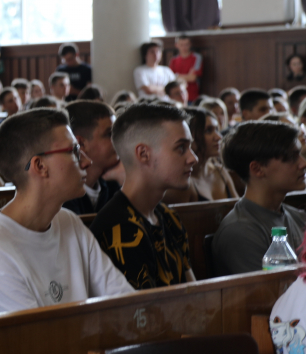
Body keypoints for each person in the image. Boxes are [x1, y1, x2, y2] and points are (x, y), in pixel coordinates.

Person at [0, 109, 134, 314]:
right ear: (40, 166)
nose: (86, 161)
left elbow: (123, 299)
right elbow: (40, 340)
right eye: (74, 152)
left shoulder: (69, 222)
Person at [88, 102, 197, 289]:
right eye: (181, 148)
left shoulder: (168, 217)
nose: (193, 158)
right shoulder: (118, 229)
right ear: (143, 153)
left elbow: (194, 291)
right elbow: (143, 313)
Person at [212, 121, 306, 276]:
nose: (303, 163)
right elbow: (272, 296)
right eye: (291, 157)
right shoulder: (240, 231)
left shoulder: (298, 216)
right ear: (257, 169)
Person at [163, 107, 239, 204]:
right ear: (188, 135)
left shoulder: (220, 171)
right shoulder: (182, 183)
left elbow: (239, 209)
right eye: (208, 131)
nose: (218, 137)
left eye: (216, 129)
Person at [62, 100, 123, 215]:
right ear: (81, 144)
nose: (118, 140)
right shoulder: (65, 194)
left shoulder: (112, 184)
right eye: (109, 134)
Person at [168, 35, 203, 102]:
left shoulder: (196, 57)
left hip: (192, 96)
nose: (184, 47)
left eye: (186, 44)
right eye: (181, 45)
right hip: (177, 97)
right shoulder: (173, 60)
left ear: (190, 45)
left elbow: (193, 78)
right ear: (176, 45)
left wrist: (177, 75)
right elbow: (171, 78)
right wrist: (187, 76)